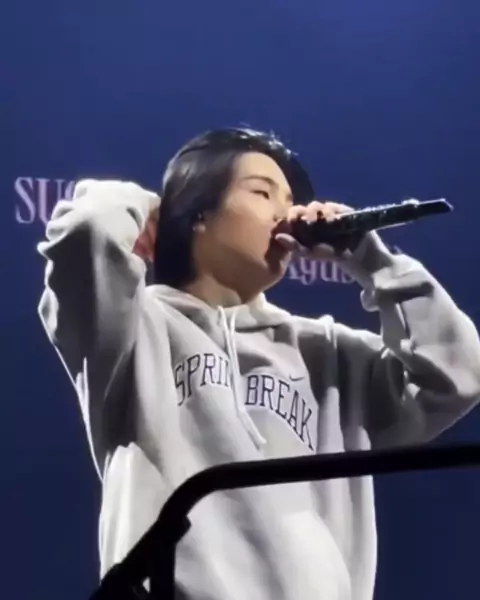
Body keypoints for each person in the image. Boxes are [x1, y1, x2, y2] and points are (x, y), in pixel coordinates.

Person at [38, 127, 480, 600]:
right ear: (199, 212)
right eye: (262, 193)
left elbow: (458, 374)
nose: (284, 213)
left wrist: (371, 260)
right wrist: (153, 209)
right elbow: (88, 231)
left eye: (289, 200)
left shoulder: (326, 350)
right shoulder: (132, 328)